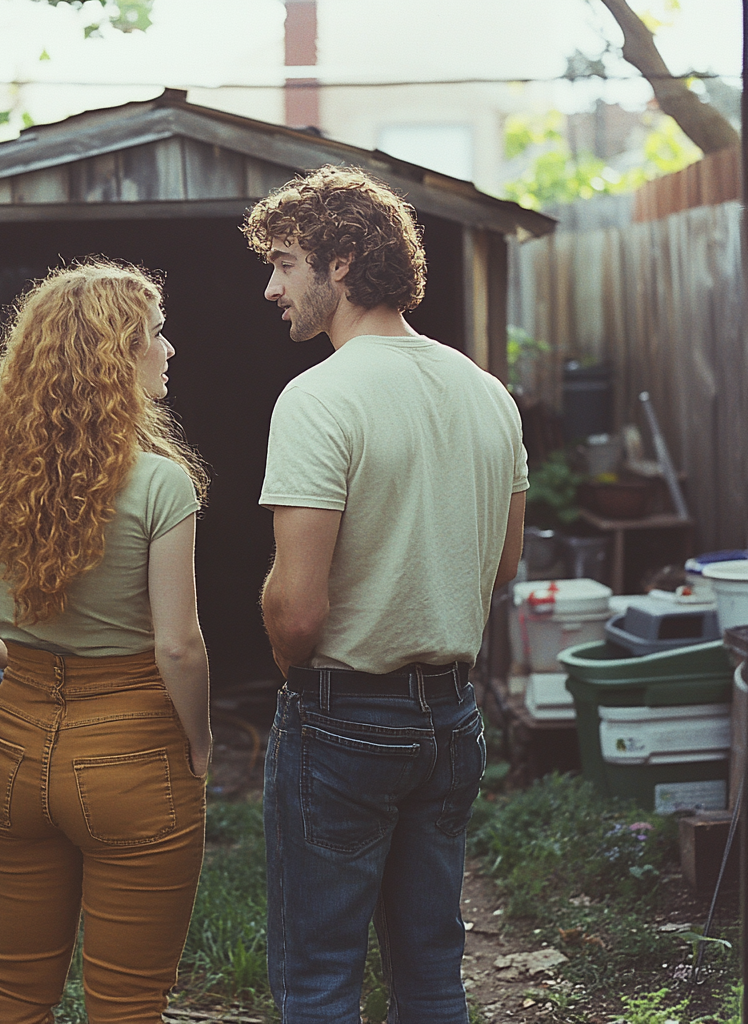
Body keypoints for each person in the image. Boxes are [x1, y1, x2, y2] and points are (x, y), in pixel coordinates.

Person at [241, 166, 528, 1024]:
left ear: (343, 260)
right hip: (450, 723)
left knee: (323, 974)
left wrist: (298, 673)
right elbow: (501, 569)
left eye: (285, 263)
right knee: (432, 968)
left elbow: (296, 610)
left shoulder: (318, 400)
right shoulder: (489, 395)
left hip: (342, 719)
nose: (270, 287)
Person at [0, 260, 212, 1024]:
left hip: (15, 752)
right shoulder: (162, 484)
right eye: (156, 336)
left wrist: (35, 664)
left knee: (17, 991)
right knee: (126, 1004)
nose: (169, 349)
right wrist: (201, 742)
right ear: (115, 358)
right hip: (135, 754)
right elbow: (179, 648)